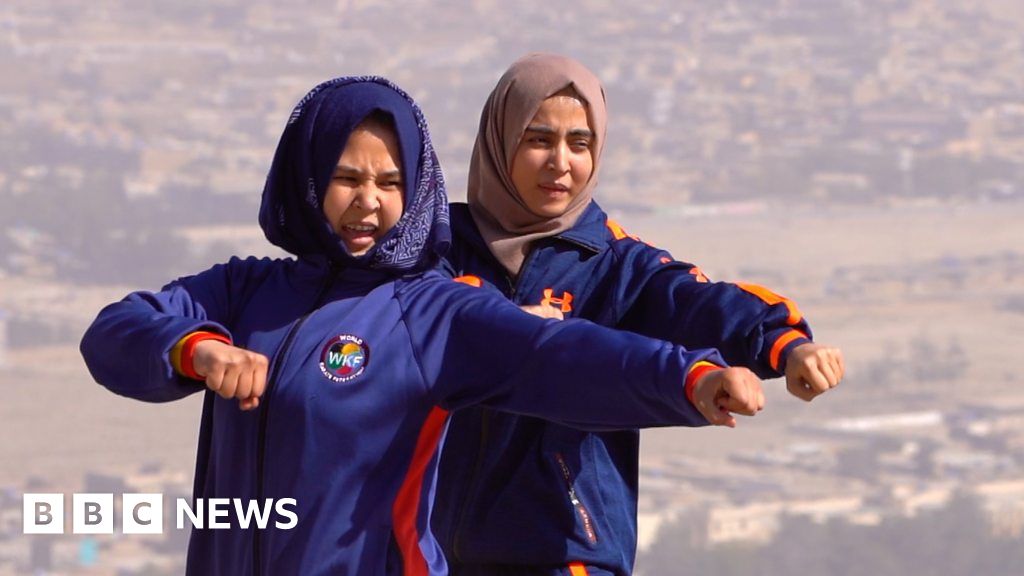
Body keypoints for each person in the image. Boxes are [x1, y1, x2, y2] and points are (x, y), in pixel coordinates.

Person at [79, 76, 766, 576]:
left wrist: (690, 378)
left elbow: (559, 355)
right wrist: (195, 351)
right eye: (346, 178)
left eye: (390, 183)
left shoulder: (428, 311)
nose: (369, 204)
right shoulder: (245, 289)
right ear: (306, 179)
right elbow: (117, 330)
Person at [432, 53, 846, 576]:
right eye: (539, 140)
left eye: (579, 144)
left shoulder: (613, 263)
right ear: (499, 139)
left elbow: (695, 300)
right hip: (429, 556)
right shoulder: (437, 252)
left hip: (567, 557)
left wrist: (786, 345)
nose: (561, 161)